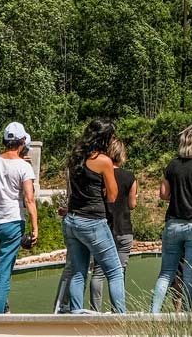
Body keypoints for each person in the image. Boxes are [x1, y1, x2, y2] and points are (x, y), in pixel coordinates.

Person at [62, 118, 126, 314]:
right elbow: (113, 195)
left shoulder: (75, 157)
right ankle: (121, 317)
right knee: (114, 271)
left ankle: (75, 315)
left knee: (78, 272)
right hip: (93, 222)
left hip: (72, 220)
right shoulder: (104, 161)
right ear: (105, 138)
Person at [151, 125, 192, 312]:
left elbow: (163, 194)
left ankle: (153, 313)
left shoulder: (172, 165)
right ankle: (187, 315)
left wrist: (178, 195)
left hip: (173, 224)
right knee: (190, 275)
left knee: (166, 273)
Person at [0, 122, 38, 314]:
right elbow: (29, 199)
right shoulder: (23, 166)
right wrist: (35, 228)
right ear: (22, 142)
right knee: (3, 275)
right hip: (11, 222)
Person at [90, 138, 136, 312]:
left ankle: (95, 311)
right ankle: (117, 311)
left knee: (99, 273)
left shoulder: (100, 175)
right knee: (119, 272)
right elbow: (132, 204)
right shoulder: (129, 176)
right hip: (124, 229)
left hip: (104, 228)